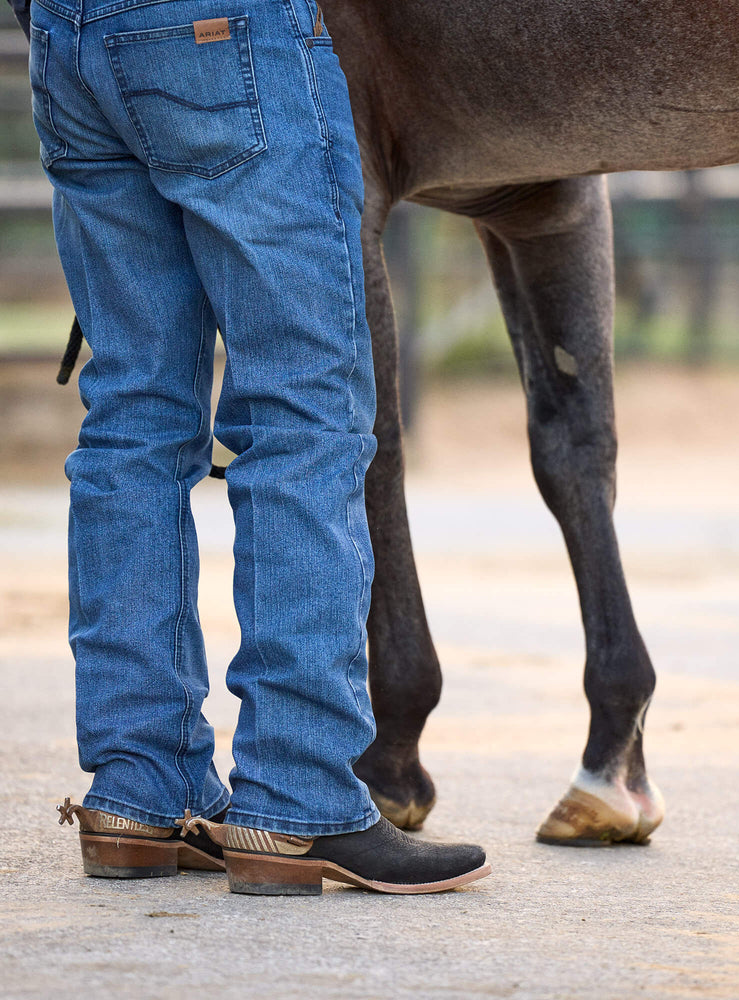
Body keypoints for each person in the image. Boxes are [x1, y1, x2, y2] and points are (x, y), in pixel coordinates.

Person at [13, 0, 490, 895]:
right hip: (222, 31)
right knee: (301, 415)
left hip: (66, 37)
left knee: (132, 419)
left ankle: (140, 790)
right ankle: (298, 797)